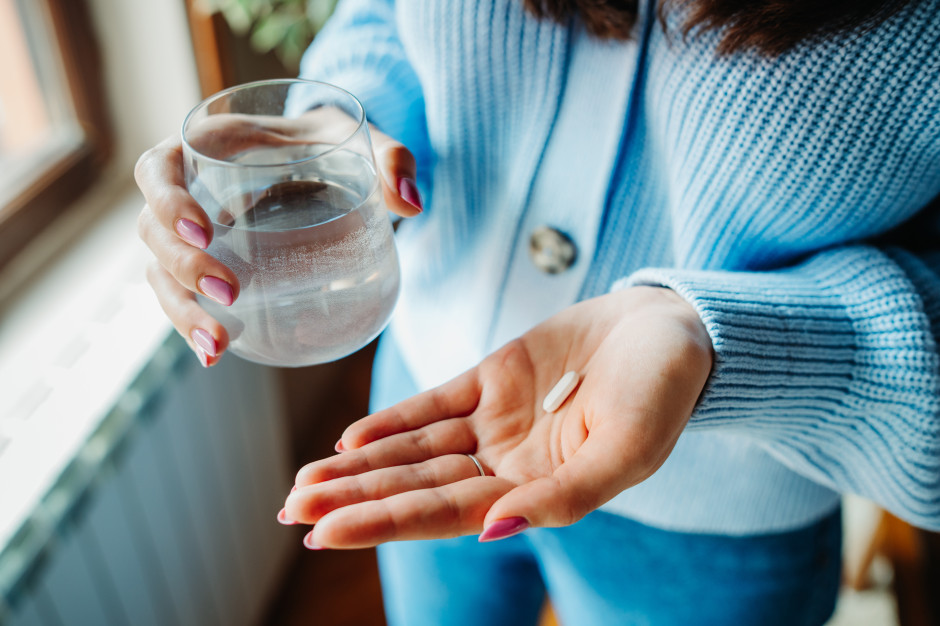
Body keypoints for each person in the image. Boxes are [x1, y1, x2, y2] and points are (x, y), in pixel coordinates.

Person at [135, 0, 940, 623]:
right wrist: (344, 133)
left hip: (721, 512)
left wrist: (725, 340)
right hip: (430, 412)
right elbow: (388, 17)